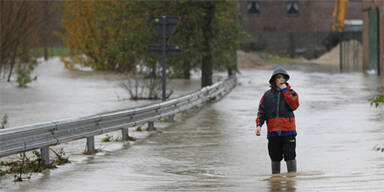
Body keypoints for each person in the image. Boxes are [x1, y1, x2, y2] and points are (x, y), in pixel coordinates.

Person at [255, 67, 299, 174]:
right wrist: (258, 125)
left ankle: (291, 182)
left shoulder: (291, 93)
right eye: (279, 78)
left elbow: (294, 105)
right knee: (274, 157)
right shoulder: (267, 95)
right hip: (273, 132)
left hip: (289, 132)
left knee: (290, 156)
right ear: (274, 79)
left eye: (283, 78)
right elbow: (261, 112)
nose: (281, 80)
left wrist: (285, 91)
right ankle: (275, 183)